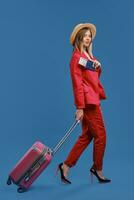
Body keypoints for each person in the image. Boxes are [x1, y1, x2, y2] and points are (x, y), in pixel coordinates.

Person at [57, 23, 111, 184]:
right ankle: (97, 168)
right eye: (85, 35)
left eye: (90, 36)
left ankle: (66, 166)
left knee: (88, 135)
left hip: (93, 99)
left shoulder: (88, 57)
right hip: (88, 103)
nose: (88, 38)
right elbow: (78, 84)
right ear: (79, 38)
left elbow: (92, 79)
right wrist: (79, 107)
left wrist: (98, 67)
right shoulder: (76, 58)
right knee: (101, 135)